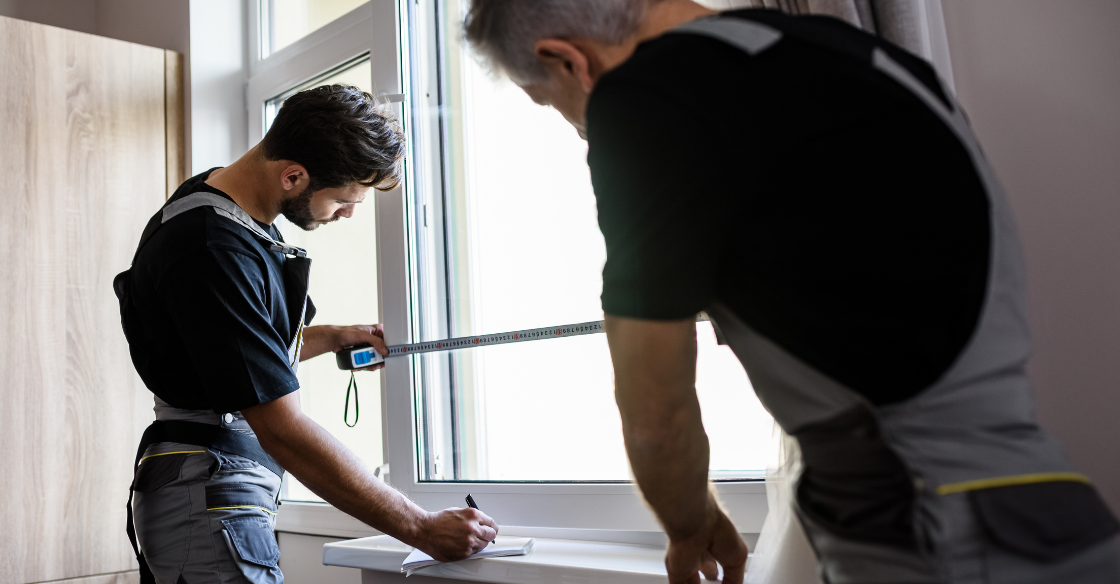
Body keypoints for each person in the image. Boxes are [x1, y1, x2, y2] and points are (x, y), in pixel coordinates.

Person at [462, 1, 1120, 583]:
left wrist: (688, 525)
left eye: (551, 103)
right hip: (1051, 515)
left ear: (566, 60)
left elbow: (655, 413)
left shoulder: (645, 97)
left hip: (923, 532)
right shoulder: (864, 57)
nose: (577, 128)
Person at [114, 84, 498, 584]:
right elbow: (283, 430)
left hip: (212, 485)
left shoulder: (226, 206)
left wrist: (334, 337)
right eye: (343, 199)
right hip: (203, 490)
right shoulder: (212, 248)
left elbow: (237, 353)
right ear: (293, 176)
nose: (348, 213)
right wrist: (422, 528)